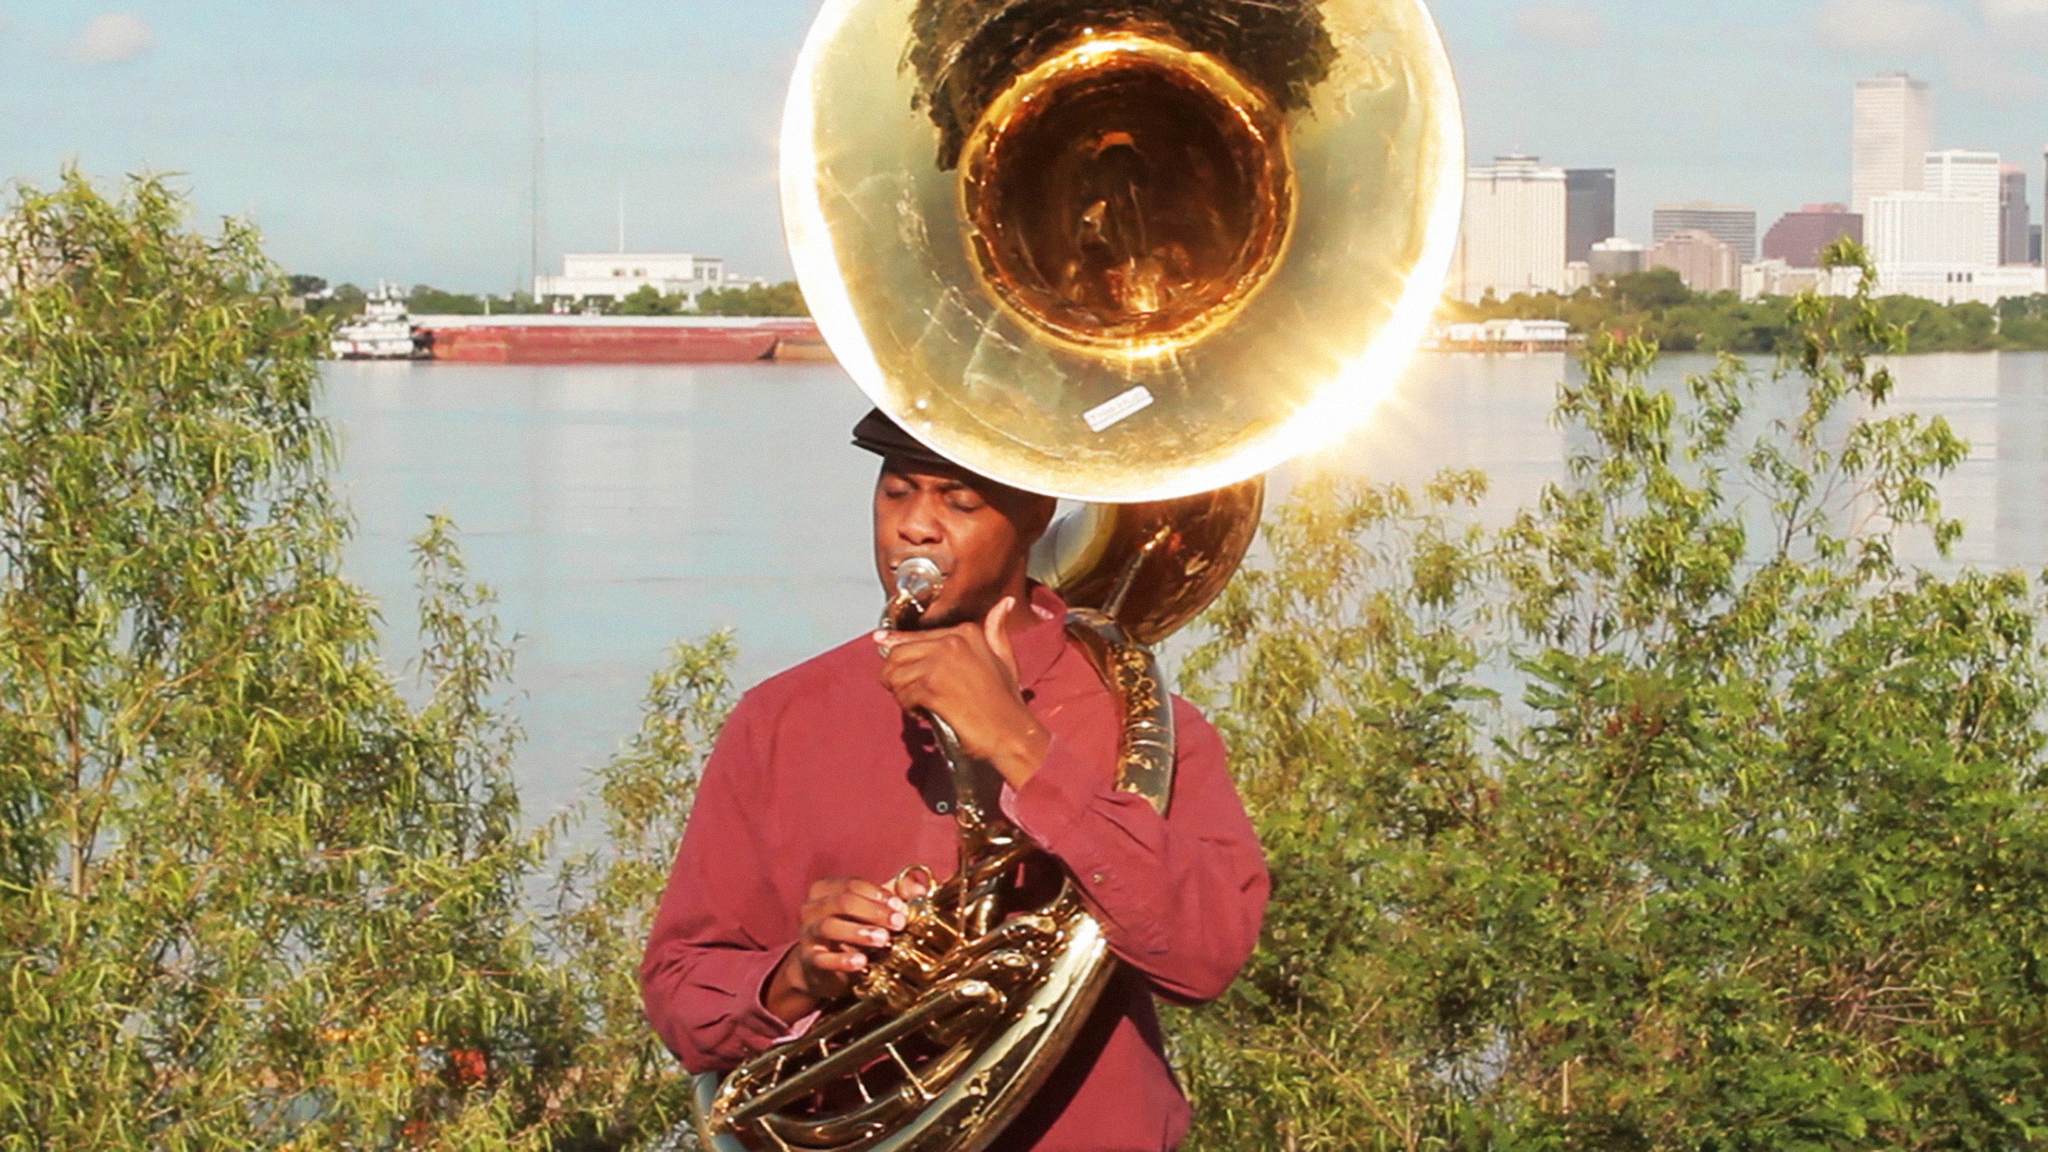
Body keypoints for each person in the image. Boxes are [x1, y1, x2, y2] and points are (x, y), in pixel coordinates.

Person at [640, 409, 1269, 1151]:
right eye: (896, 492)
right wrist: (799, 977)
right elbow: (682, 992)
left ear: (1036, 513)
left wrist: (1019, 744)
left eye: (960, 501)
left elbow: (1206, 954)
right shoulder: (780, 719)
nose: (916, 527)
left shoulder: (1141, 725)